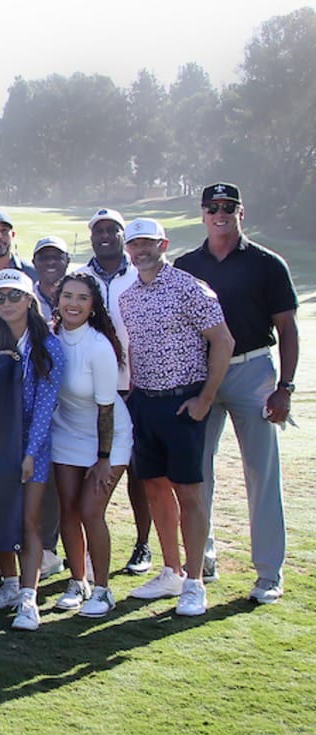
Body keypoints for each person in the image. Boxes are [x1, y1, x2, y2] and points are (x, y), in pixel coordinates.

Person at [174, 182, 297, 604]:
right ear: (203, 213)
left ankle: (268, 573)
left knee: (261, 475)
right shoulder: (186, 264)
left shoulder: (267, 264)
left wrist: (285, 387)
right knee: (196, 472)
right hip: (201, 375)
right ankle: (201, 557)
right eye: (212, 207)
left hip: (252, 372)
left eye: (228, 207)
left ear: (240, 212)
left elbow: (287, 329)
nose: (219, 213)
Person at [117, 218, 233, 617]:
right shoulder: (128, 297)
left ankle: (195, 582)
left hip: (184, 401)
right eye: (134, 245)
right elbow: (136, 349)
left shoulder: (189, 287)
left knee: (189, 493)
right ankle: (171, 570)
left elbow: (223, 340)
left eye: (148, 243)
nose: (140, 250)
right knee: (154, 488)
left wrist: (205, 398)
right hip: (146, 402)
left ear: (163, 244)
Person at [0, 270, 64, 631]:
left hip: (33, 444)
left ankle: (28, 597)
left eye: (14, 296)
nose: (6, 303)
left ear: (29, 300)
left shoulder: (49, 345)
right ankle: (9, 584)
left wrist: (29, 453)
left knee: (28, 520)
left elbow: (46, 404)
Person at [49, 272, 133, 618]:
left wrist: (103, 458)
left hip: (108, 438)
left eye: (82, 297)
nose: (73, 303)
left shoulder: (98, 347)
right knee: (67, 509)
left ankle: (103, 590)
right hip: (66, 433)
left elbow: (106, 409)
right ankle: (77, 581)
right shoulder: (52, 338)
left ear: (93, 305)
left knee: (90, 511)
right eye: (67, 295)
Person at [80, 208, 154, 577]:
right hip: (95, 393)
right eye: (99, 231)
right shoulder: (81, 276)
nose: (105, 236)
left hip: (137, 388)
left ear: (123, 235)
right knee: (94, 474)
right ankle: (92, 553)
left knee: (141, 475)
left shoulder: (141, 274)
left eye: (112, 230)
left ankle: (143, 545)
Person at [31, 236, 71, 319]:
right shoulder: (25, 301)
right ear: (34, 262)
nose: (50, 262)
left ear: (68, 261)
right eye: (44, 258)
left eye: (56, 257)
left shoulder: (79, 300)